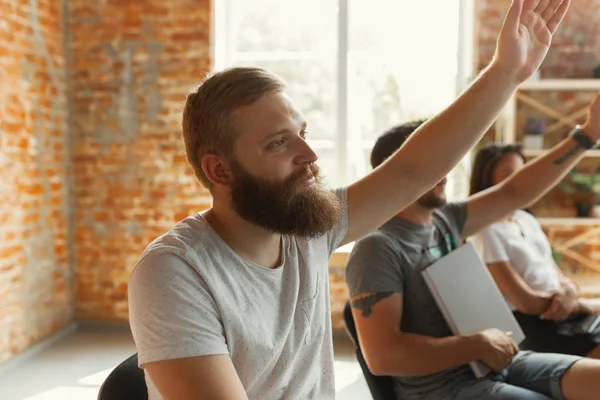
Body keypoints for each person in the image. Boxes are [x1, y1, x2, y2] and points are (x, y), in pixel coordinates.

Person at [128, 1, 573, 399]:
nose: (310, 155)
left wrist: (505, 74)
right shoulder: (174, 271)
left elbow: (410, 171)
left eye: (302, 133)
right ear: (219, 171)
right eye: (279, 144)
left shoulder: (305, 229)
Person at [345, 91, 600, 400]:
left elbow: (514, 192)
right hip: (446, 388)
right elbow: (383, 356)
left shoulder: (445, 219)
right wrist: (475, 344)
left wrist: (587, 135)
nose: (445, 170)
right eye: (432, 160)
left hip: (501, 361)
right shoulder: (378, 247)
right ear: (392, 171)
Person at [469, 142, 600, 358]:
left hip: (565, 312)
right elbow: (524, 301)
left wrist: (569, 292)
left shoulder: (525, 219)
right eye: (508, 174)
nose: (519, 180)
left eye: (522, 171)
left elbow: (557, 274)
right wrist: (580, 306)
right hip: (535, 325)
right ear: (487, 179)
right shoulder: (485, 230)